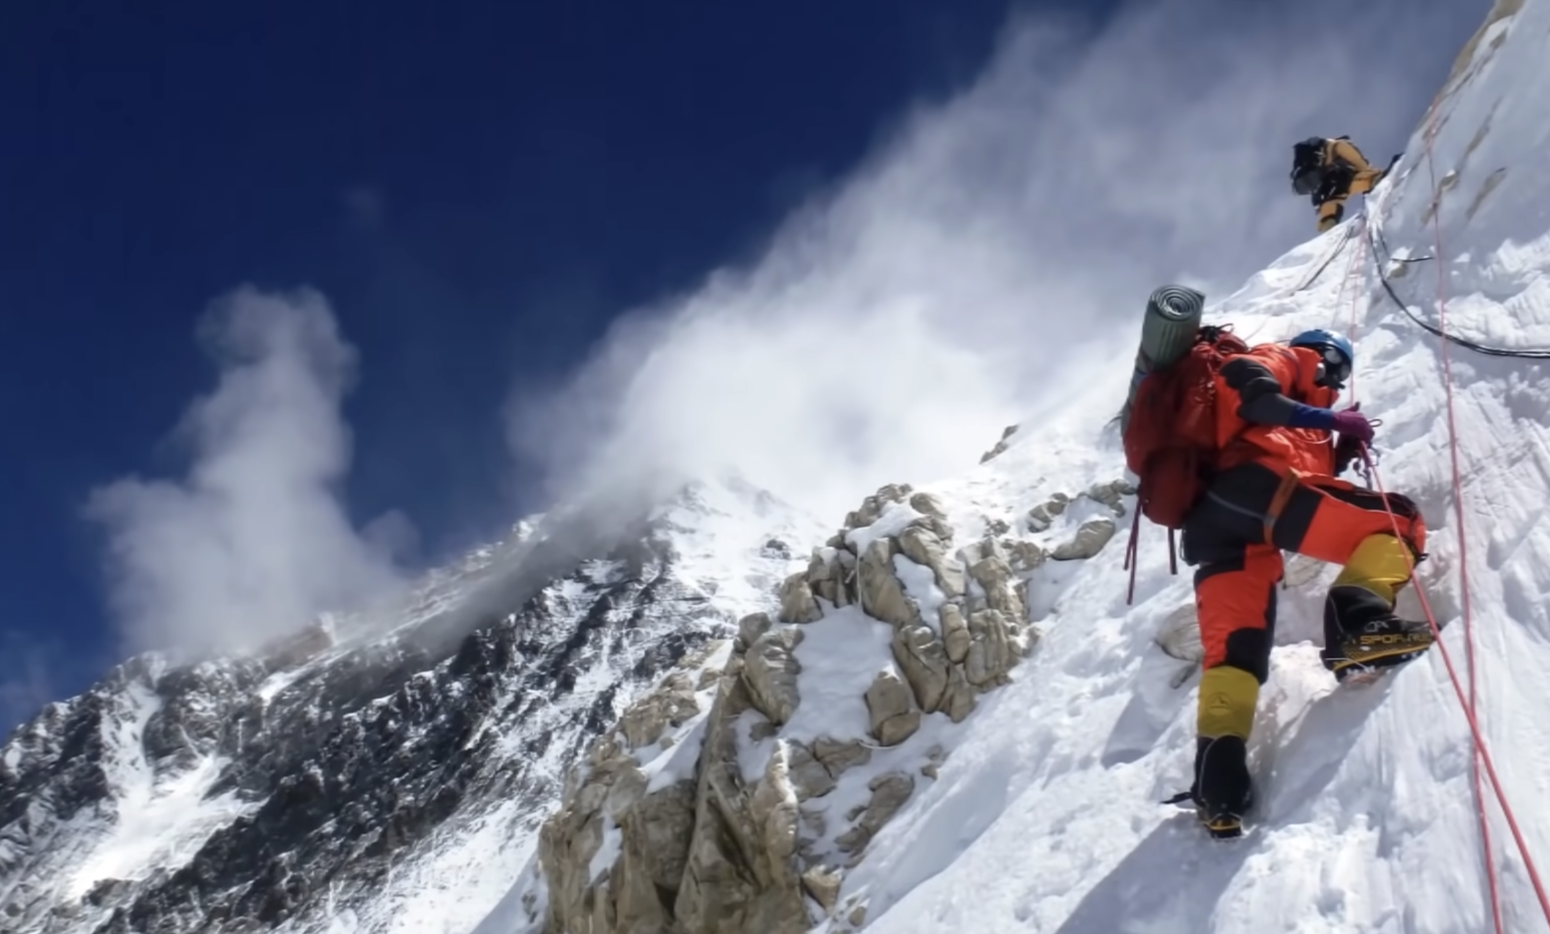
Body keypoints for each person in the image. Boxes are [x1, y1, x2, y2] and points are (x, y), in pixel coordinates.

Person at [1175, 327, 1436, 837]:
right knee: (1397, 521)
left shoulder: (1304, 417)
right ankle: (1358, 625)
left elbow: (1293, 448)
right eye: (1336, 369)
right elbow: (1255, 399)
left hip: (1221, 529)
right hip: (1256, 493)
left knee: (1236, 655)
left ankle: (1218, 785)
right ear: (1323, 353)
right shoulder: (1282, 358)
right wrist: (1331, 417)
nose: (1335, 383)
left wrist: (1337, 443)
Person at [1290, 137, 1399, 233]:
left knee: (1343, 182)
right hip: (1338, 178)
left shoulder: (1335, 148)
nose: (1311, 187)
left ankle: (1377, 180)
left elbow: (1360, 165)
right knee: (1332, 192)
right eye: (1306, 187)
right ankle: (1328, 221)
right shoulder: (1320, 176)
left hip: (1345, 173)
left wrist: (1373, 177)